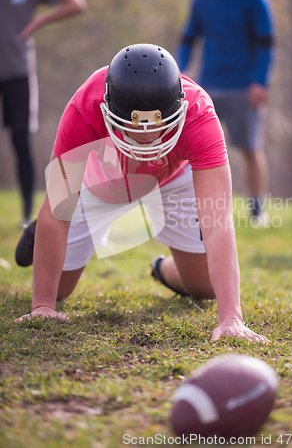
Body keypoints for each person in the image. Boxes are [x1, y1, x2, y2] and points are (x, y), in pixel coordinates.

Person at [15, 43, 269, 344]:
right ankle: (41, 240)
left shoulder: (200, 114)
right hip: (101, 181)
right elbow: (57, 211)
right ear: (108, 107)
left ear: (179, 106)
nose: (147, 138)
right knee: (58, 291)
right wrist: (42, 305)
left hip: (172, 179)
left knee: (204, 288)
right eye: (134, 127)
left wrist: (231, 318)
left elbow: (217, 222)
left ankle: (161, 268)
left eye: (158, 126)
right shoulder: (85, 106)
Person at [178, 0, 275, 222]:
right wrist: (180, 69)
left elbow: (266, 43)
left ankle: (257, 210)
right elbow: (188, 39)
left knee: (249, 147)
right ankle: (198, 208)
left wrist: (260, 81)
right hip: (207, 86)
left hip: (243, 87)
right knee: (194, 147)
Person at [0, 0, 87, 226]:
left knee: (21, 141)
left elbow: (76, 3)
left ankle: (26, 215)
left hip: (18, 72)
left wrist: (36, 21)